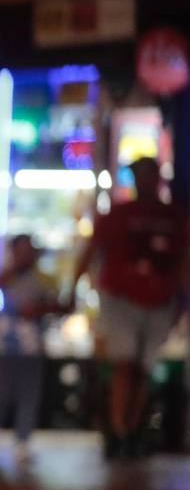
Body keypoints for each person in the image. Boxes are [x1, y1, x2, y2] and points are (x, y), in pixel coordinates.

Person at [73, 157, 190, 458]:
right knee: (124, 365)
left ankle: (133, 428)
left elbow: (184, 259)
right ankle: (119, 429)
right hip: (121, 299)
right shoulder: (117, 215)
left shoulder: (174, 216)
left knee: (144, 369)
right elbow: (91, 250)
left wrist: (182, 297)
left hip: (160, 301)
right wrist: (73, 288)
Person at [0, 235, 63, 461]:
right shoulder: (4, 275)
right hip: (4, 344)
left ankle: (22, 440)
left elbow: (60, 305)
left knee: (29, 394)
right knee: (2, 390)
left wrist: (39, 309)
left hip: (31, 345)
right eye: (20, 250)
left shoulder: (44, 279)